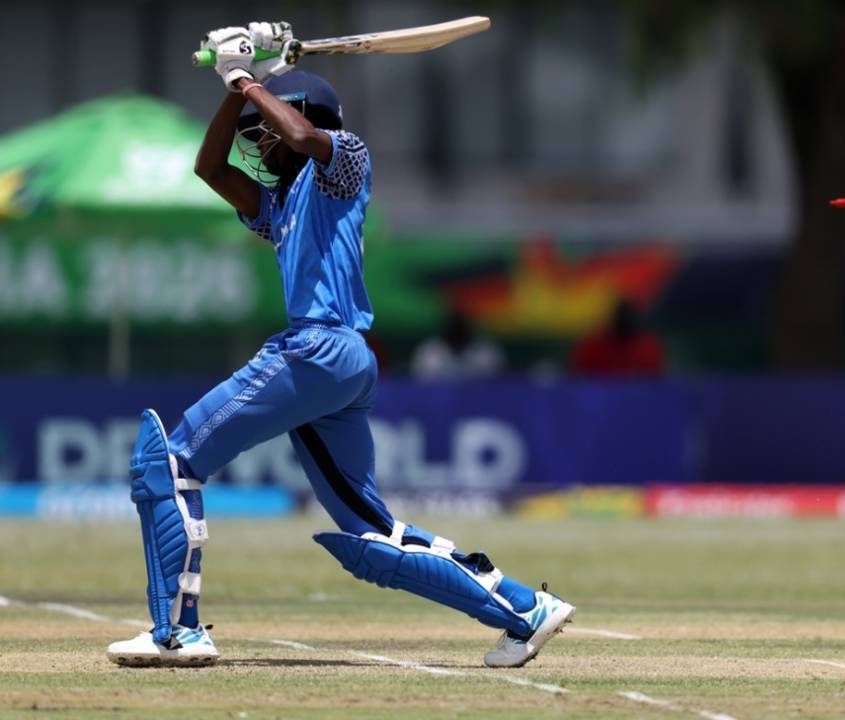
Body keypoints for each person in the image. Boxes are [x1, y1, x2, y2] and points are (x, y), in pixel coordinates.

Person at [106, 23, 573, 668]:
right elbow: (207, 166)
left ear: (300, 113)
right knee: (370, 535)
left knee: (169, 460)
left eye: (260, 126)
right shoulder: (280, 201)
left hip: (320, 347)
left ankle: (177, 632)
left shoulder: (343, 159)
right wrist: (239, 84)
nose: (255, 140)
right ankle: (523, 609)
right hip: (340, 364)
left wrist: (248, 79)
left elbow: (299, 137)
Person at [570, 299, 665, 376]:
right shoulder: (593, 345)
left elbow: (656, 382)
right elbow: (577, 378)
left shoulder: (647, 348)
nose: (625, 321)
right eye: (621, 318)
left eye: (628, 318)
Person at [410, 309, 505, 380]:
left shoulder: (486, 352)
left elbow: (497, 386)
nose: (456, 336)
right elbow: (422, 387)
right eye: (453, 333)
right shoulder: (429, 353)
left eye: (459, 333)